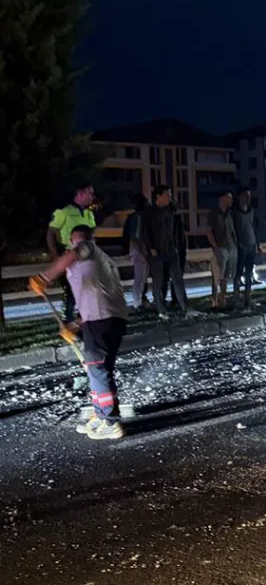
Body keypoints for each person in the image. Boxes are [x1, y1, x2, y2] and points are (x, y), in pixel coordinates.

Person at [29, 226, 129, 440]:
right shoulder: (104, 261)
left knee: (97, 370)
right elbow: (99, 297)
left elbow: (72, 255)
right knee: (100, 370)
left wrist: (44, 277)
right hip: (112, 320)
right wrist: (75, 324)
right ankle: (101, 414)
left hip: (100, 321)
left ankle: (110, 422)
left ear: (75, 238)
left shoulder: (85, 248)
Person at [46, 182, 97, 324]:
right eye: (90, 193)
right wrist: (56, 255)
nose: (93, 196)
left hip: (86, 256)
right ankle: (67, 320)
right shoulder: (64, 212)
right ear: (80, 194)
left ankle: (84, 319)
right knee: (72, 290)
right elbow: (51, 233)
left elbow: (92, 235)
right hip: (69, 254)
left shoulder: (89, 213)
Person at [142, 185, 190, 318]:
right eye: (167, 194)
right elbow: (144, 233)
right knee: (159, 282)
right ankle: (161, 309)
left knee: (178, 279)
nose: (170, 197)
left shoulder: (169, 211)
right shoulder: (149, 212)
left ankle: (185, 307)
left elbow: (174, 227)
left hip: (171, 251)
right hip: (156, 253)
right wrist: (151, 249)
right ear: (158, 196)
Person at [207, 191, 237, 309]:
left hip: (231, 247)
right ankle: (214, 299)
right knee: (218, 275)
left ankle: (223, 298)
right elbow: (209, 231)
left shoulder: (230, 213)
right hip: (221, 247)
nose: (231, 200)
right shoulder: (214, 213)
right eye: (228, 198)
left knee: (226, 276)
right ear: (222, 199)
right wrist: (215, 246)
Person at [233, 187, 261, 308]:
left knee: (249, 273)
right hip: (241, 245)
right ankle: (236, 298)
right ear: (239, 197)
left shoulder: (251, 211)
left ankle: (247, 298)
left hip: (251, 244)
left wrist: (257, 244)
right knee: (238, 273)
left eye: (249, 196)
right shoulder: (234, 212)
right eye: (245, 195)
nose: (248, 198)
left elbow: (254, 227)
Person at [122, 193, 150, 311]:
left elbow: (127, 235)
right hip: (139, 250)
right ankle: (137, 303)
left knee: (141, 278)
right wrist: (143, 251)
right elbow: (135, 237)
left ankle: (140, 301)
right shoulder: (139, 217)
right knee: (140, 278)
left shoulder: (134, 216)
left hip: (137, 249)